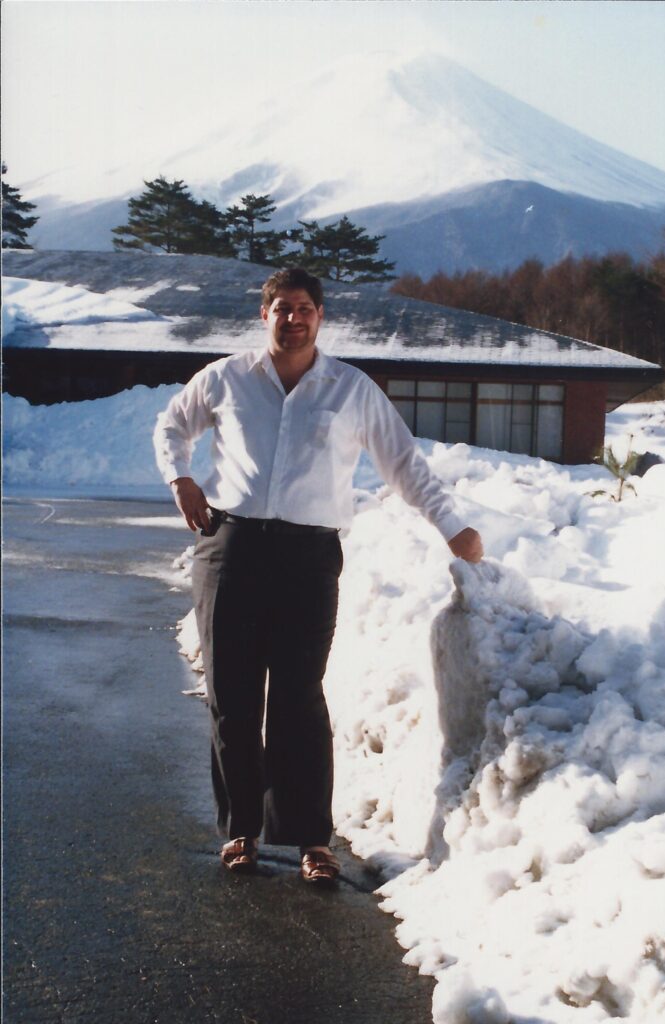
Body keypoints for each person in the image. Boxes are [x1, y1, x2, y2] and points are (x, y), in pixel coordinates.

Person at [153, 267, 483, 886]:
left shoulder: (351, 389)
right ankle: (242, 833)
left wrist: (452, 526)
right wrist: (180, 476)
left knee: (300, 696)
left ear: (320, 317)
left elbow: (404, 463)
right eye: (282, 307)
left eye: (304, 308)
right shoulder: (227, 377)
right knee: (232, 696)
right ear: (265, 315)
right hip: (232, 547)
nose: (293, 318)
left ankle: (311, 839)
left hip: (308, 558)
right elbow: (171, 424)